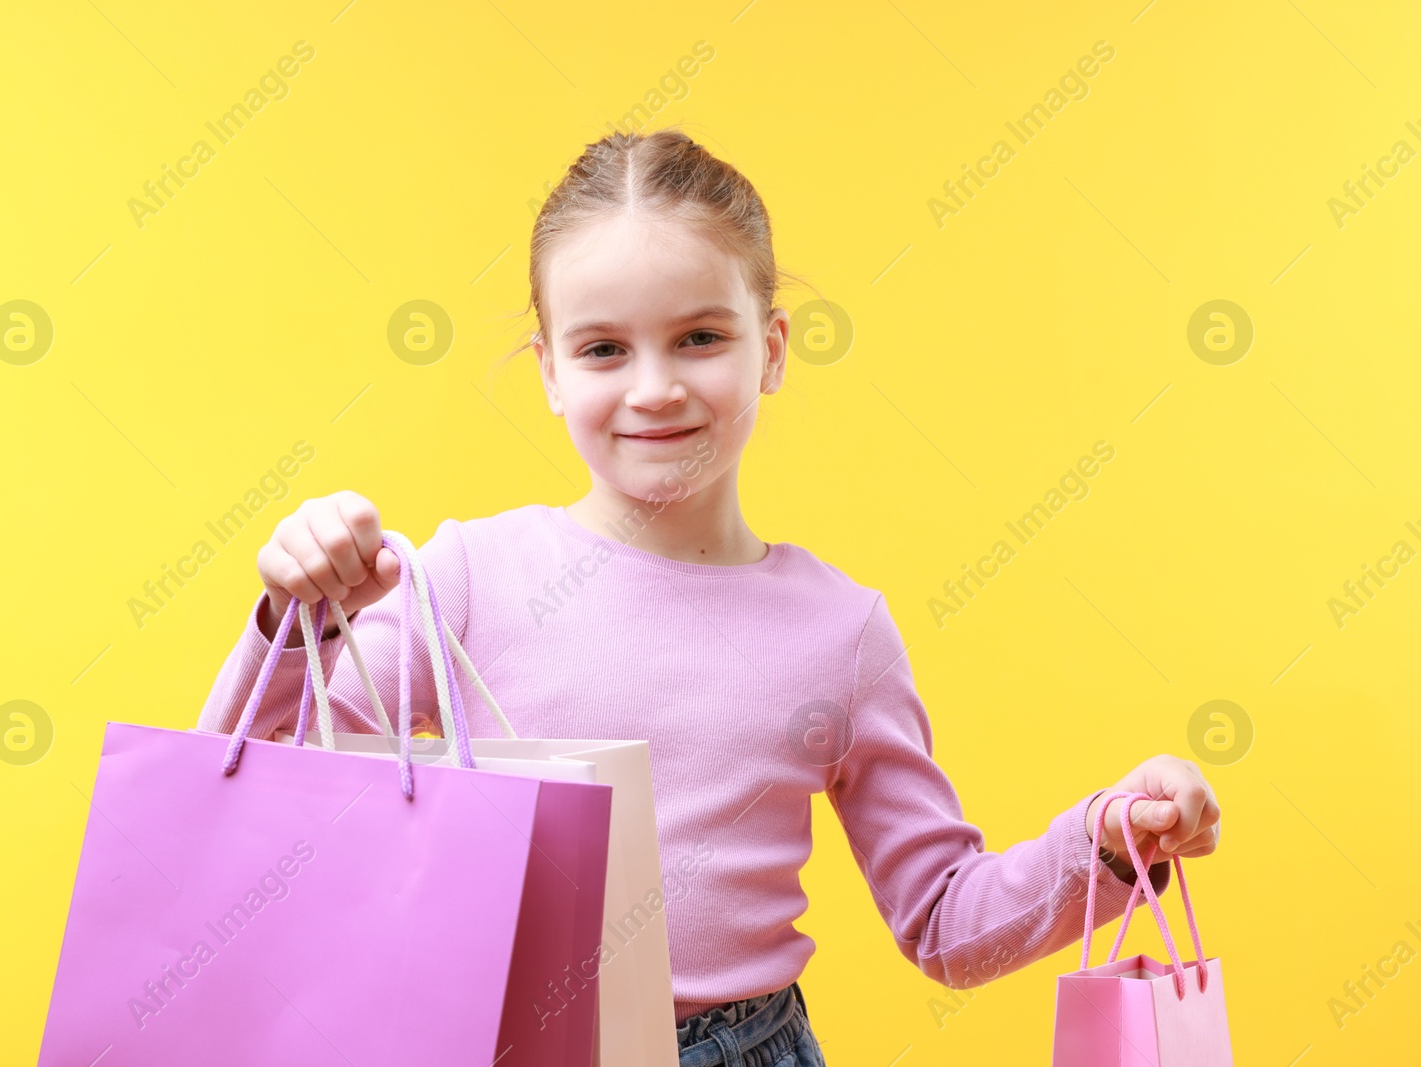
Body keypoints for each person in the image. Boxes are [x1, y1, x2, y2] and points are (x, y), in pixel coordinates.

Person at [196, 127, 1221, 1066]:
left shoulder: (841, 632)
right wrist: (296, 619)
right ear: (549, 372)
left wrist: (1104, 838)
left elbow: (947, 926)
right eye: (604, 348)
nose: (653, 387)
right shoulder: (462, 580)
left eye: (699, 337)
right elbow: (241, 802)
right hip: (499, 1042)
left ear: (768, 350)